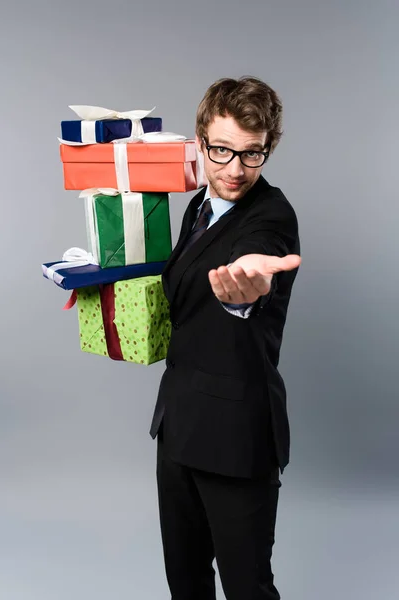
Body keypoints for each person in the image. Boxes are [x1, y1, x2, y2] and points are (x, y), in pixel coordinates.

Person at [149, 76, 301, 600]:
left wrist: (246, 294)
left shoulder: (272, 217)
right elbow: (186, 290)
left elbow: (257, 266)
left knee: (247, 589)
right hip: (178, 426)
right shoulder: (199, 205)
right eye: (222, 150)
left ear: (267, 150)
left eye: (252, 154)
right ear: (201, 142)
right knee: (185, 584)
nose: (235, 169)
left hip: (237, 439)